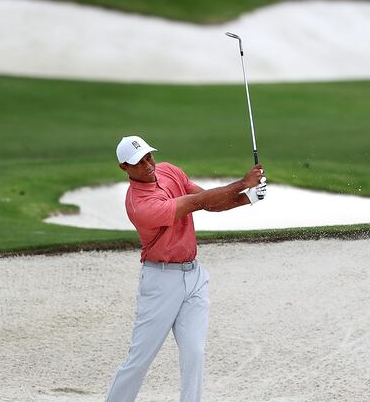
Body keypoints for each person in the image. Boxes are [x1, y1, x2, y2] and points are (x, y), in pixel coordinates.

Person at [105, 135, 266, 402]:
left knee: (194, 352)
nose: (148, 164)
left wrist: (247, 197)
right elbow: (196, 204)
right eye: (138, 161)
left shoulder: (168, 170)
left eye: (148, 156)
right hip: (161, 282)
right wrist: (243, 183)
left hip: (194, 277)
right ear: (124, 167)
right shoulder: (140, 204)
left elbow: (206, 199)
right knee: (139, 360)